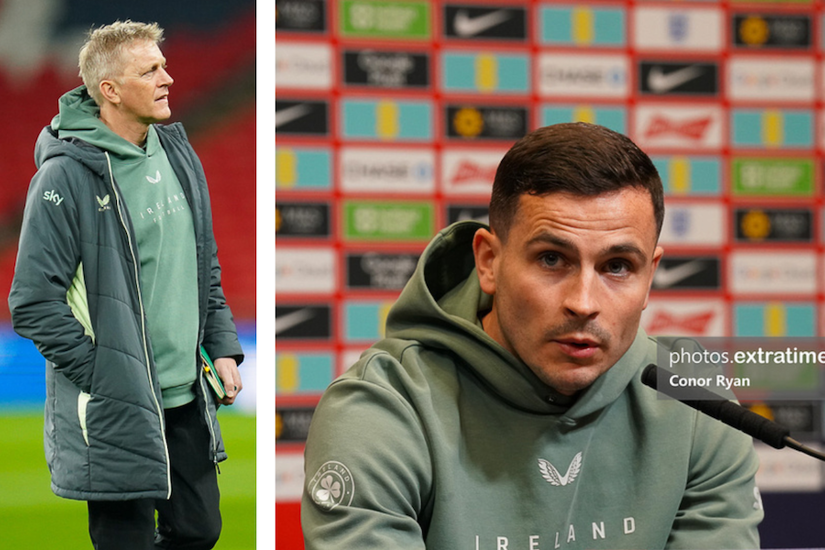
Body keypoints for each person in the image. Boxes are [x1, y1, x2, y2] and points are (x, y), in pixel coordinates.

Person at [301, 123, 762, 549]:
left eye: (617, 267)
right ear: (488, 262)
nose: (584, 302)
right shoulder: (382, 409)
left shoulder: (696, 397)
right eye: (551, 259)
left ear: (650, 275)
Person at [8, 20, 244, 550]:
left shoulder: (179, 152)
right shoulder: (63, 177)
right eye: (151, 70)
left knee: (200, 531)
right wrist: (105, 373)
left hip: (187, 397)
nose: (169, 78)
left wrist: (222, 347)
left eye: (163, 65)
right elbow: (31, 301)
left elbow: (203, 265)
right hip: (116, 405)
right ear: (109, 90)